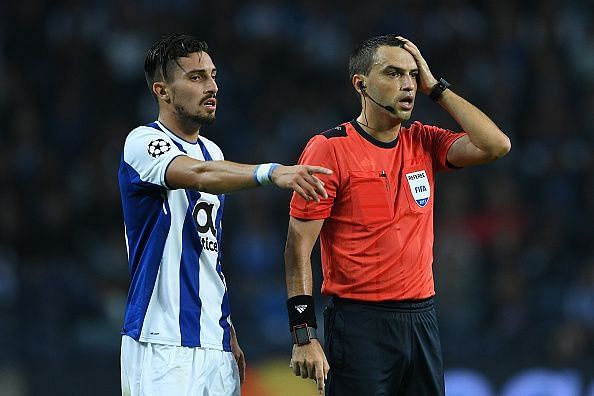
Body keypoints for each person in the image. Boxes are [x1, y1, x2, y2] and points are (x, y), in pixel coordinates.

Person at [284, 34, 511, 395]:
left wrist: (436, 87)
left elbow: (496, 145)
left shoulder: (423, 141)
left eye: (412, 74)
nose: (408, 85)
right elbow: (298, 246)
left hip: (422, 320)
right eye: (392, 73)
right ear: (361, 84)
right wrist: (304, 334)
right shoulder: (329, 149)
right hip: (359, 324)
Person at [118, 33, 331, 396]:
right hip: (162, 342)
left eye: (213, 75)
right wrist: (271, 171)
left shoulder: (213, 151)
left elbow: (208, 252)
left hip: (214, 345)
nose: (212, 86)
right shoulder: (142, 142)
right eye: (196, 77)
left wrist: (225, 327)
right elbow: (199, 175)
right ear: (162, 91)